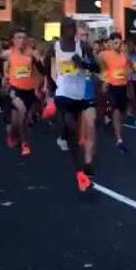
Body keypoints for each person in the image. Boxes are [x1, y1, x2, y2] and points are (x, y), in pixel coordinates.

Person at [46, 18, 98, 191]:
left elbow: (97, 67)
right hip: (62, 95)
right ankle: (80, 173)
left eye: (72, 28)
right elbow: (46, 67)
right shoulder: (54, 47)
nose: (70, 31)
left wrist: (82, 63)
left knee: (73, 137)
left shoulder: (82, 47)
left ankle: (79, 169)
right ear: (61, 30)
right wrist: (51, 89)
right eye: (67, 28)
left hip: (79, 95)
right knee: (73, 128)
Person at [3, 28, 42, 156]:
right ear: (13, 40)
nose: (21, 40)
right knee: (23, 113)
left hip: (29, 90)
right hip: (15, 89)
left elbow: (39, 71)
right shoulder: (8, 54)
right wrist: (3, 76)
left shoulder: (32, 54)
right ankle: (25, 143)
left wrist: (39, 88)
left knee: (18, 121)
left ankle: (13, 133)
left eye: (23, 38)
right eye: (18, 38)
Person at [98, 32, 130, 152]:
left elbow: (127, 69)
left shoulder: (124, 56)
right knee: (116, 112)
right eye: (115, 42)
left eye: (120, 43)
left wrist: (127, 76)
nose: (118, 45)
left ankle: (108, 116)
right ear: (110, 43)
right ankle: (119, 140)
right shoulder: (104, 55)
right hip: (112, 86)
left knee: (121, 113)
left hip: (123, 86)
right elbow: (100, 66)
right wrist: (105, 79)